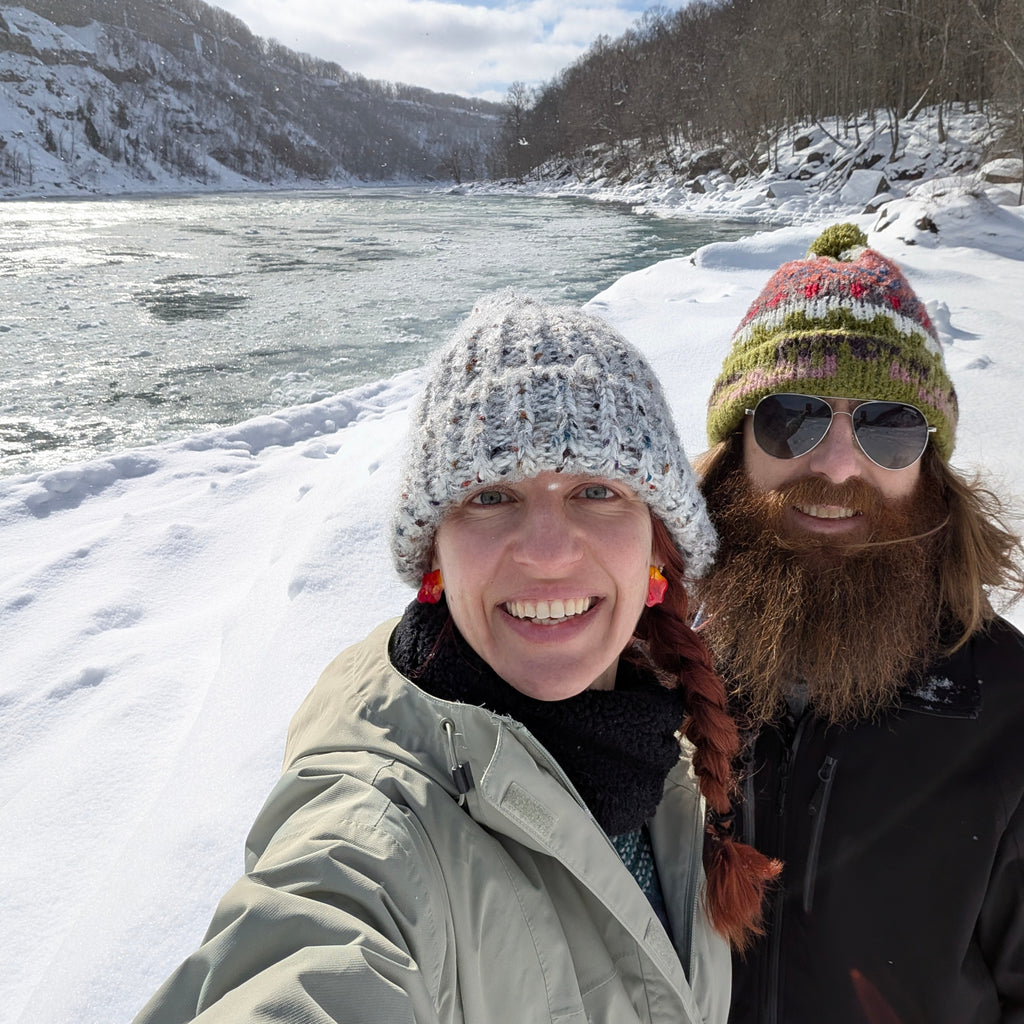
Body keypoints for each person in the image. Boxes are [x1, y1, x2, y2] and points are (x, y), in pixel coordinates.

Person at [134, 291, 778, 1024]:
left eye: (597, 490)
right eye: (491, 496)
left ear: (656, 544)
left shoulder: (664, 743)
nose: (546, 552)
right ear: (434, 552)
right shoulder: (377, 828)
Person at [693, 223, 1024, 1024]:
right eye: (791, 418)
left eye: (889, 426)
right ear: (737, 450)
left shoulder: (1010, 714)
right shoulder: (645, 668)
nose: (838, 465)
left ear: (929, 466)